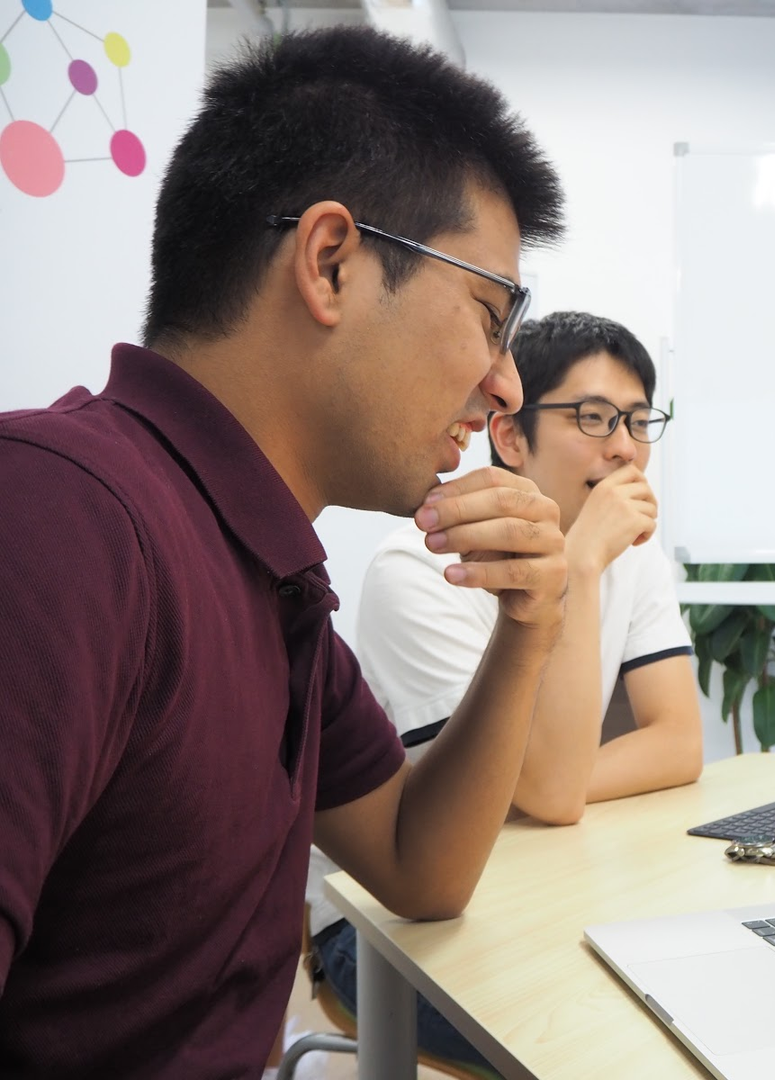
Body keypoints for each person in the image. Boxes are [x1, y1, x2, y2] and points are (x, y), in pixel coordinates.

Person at [0, 26, 569, 1078]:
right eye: (490, 317)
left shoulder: (272, 576)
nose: (506, 385)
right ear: (330, 262)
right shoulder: (61, 518)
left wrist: (528, 633)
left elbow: (419, 868)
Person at [304, 311, 703, 1058]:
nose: (624, 446)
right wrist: (579, 566)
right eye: (593, 417)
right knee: (612, 1047)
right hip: (382, 931)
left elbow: (678, 741)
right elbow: (550, 793)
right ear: (511, 436)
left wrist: (556, 785)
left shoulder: (632, 553)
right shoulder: (424, 565)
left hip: (541, 885)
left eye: (639, 420)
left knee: (692, 1006)